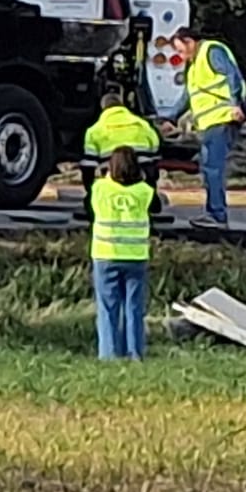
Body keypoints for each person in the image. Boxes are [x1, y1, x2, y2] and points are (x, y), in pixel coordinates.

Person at [174, 28, 246, 228]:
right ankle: (213, 212)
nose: (180, 56)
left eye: (180, 50)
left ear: (189, 41)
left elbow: (231, 75)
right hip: (210, 123)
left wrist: (236, 104)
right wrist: (170, 118)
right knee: (209, 168)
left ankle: (217, 215)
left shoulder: (211, 52)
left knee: (213, 168)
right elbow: (188, 97)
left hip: (222, 119)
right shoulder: (194, 65)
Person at [90, 144, 155, 360]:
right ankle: (135, 352)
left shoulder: (100, 189)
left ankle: (109, 353)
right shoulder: (144, 192)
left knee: (108, 307)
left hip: (106, 253)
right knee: (134, 307)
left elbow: (94, 199)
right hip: (135, 256)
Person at [81, 88, 162, 197]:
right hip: (142, 175)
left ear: (102, 108)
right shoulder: (143, 125)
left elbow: (89, 165)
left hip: (112, 176)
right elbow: (156, 154)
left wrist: (90, 191)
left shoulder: (94, 130)